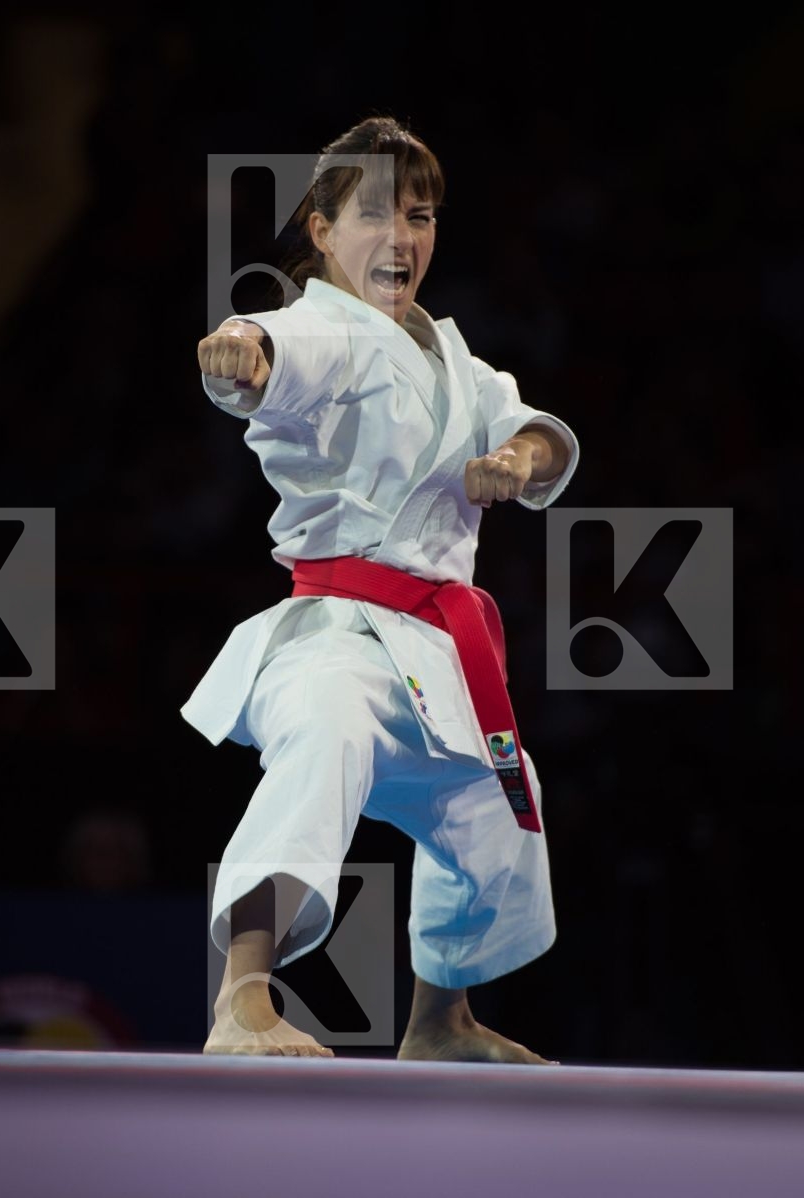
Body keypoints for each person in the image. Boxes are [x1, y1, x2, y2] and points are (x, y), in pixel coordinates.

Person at [184, 117, 579, 1061]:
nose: (402, 236)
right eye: (373, 214)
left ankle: (439, 1022)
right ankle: (242, 999)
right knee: (326, 733)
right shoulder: (327, 325)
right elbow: (273, 348)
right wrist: (241, 352)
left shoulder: (452, 354)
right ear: (321, 229)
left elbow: (541, 431)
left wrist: (517, 461)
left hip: (435, 656)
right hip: (339, 637)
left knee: (497, 797)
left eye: (421, 215)